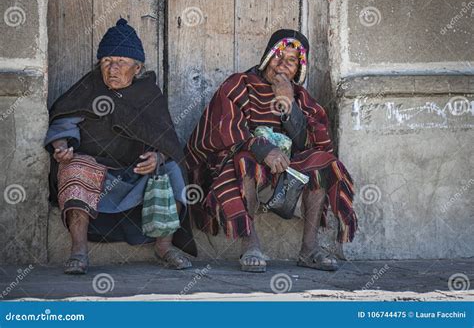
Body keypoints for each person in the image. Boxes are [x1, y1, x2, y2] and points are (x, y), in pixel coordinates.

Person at [185, 29, 357, 273]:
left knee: (323, 162)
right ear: (266, 57)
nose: (282, 65)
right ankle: (250, 245)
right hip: (246, 164)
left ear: (299, 68)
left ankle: (309, 249)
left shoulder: (301, 97)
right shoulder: (239, 85)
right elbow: (224, 131)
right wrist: (263, 149)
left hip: (286, 169)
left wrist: (288, 106)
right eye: (278, 56)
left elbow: (313, 143)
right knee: (245, 161)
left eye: (291, 60)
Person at [44, 18, 196, 274]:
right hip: (94, 171)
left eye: (120, 63)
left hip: (134, 174)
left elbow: (167, 140)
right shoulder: (89, 88)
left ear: (137, 68)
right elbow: (63, 123)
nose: (112, 68)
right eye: (106, 62)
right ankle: (79, 252)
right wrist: (62, 147)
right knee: (75, 167)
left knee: (172, 167)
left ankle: (164, 246)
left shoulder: (149, 94)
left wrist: (157, 157)